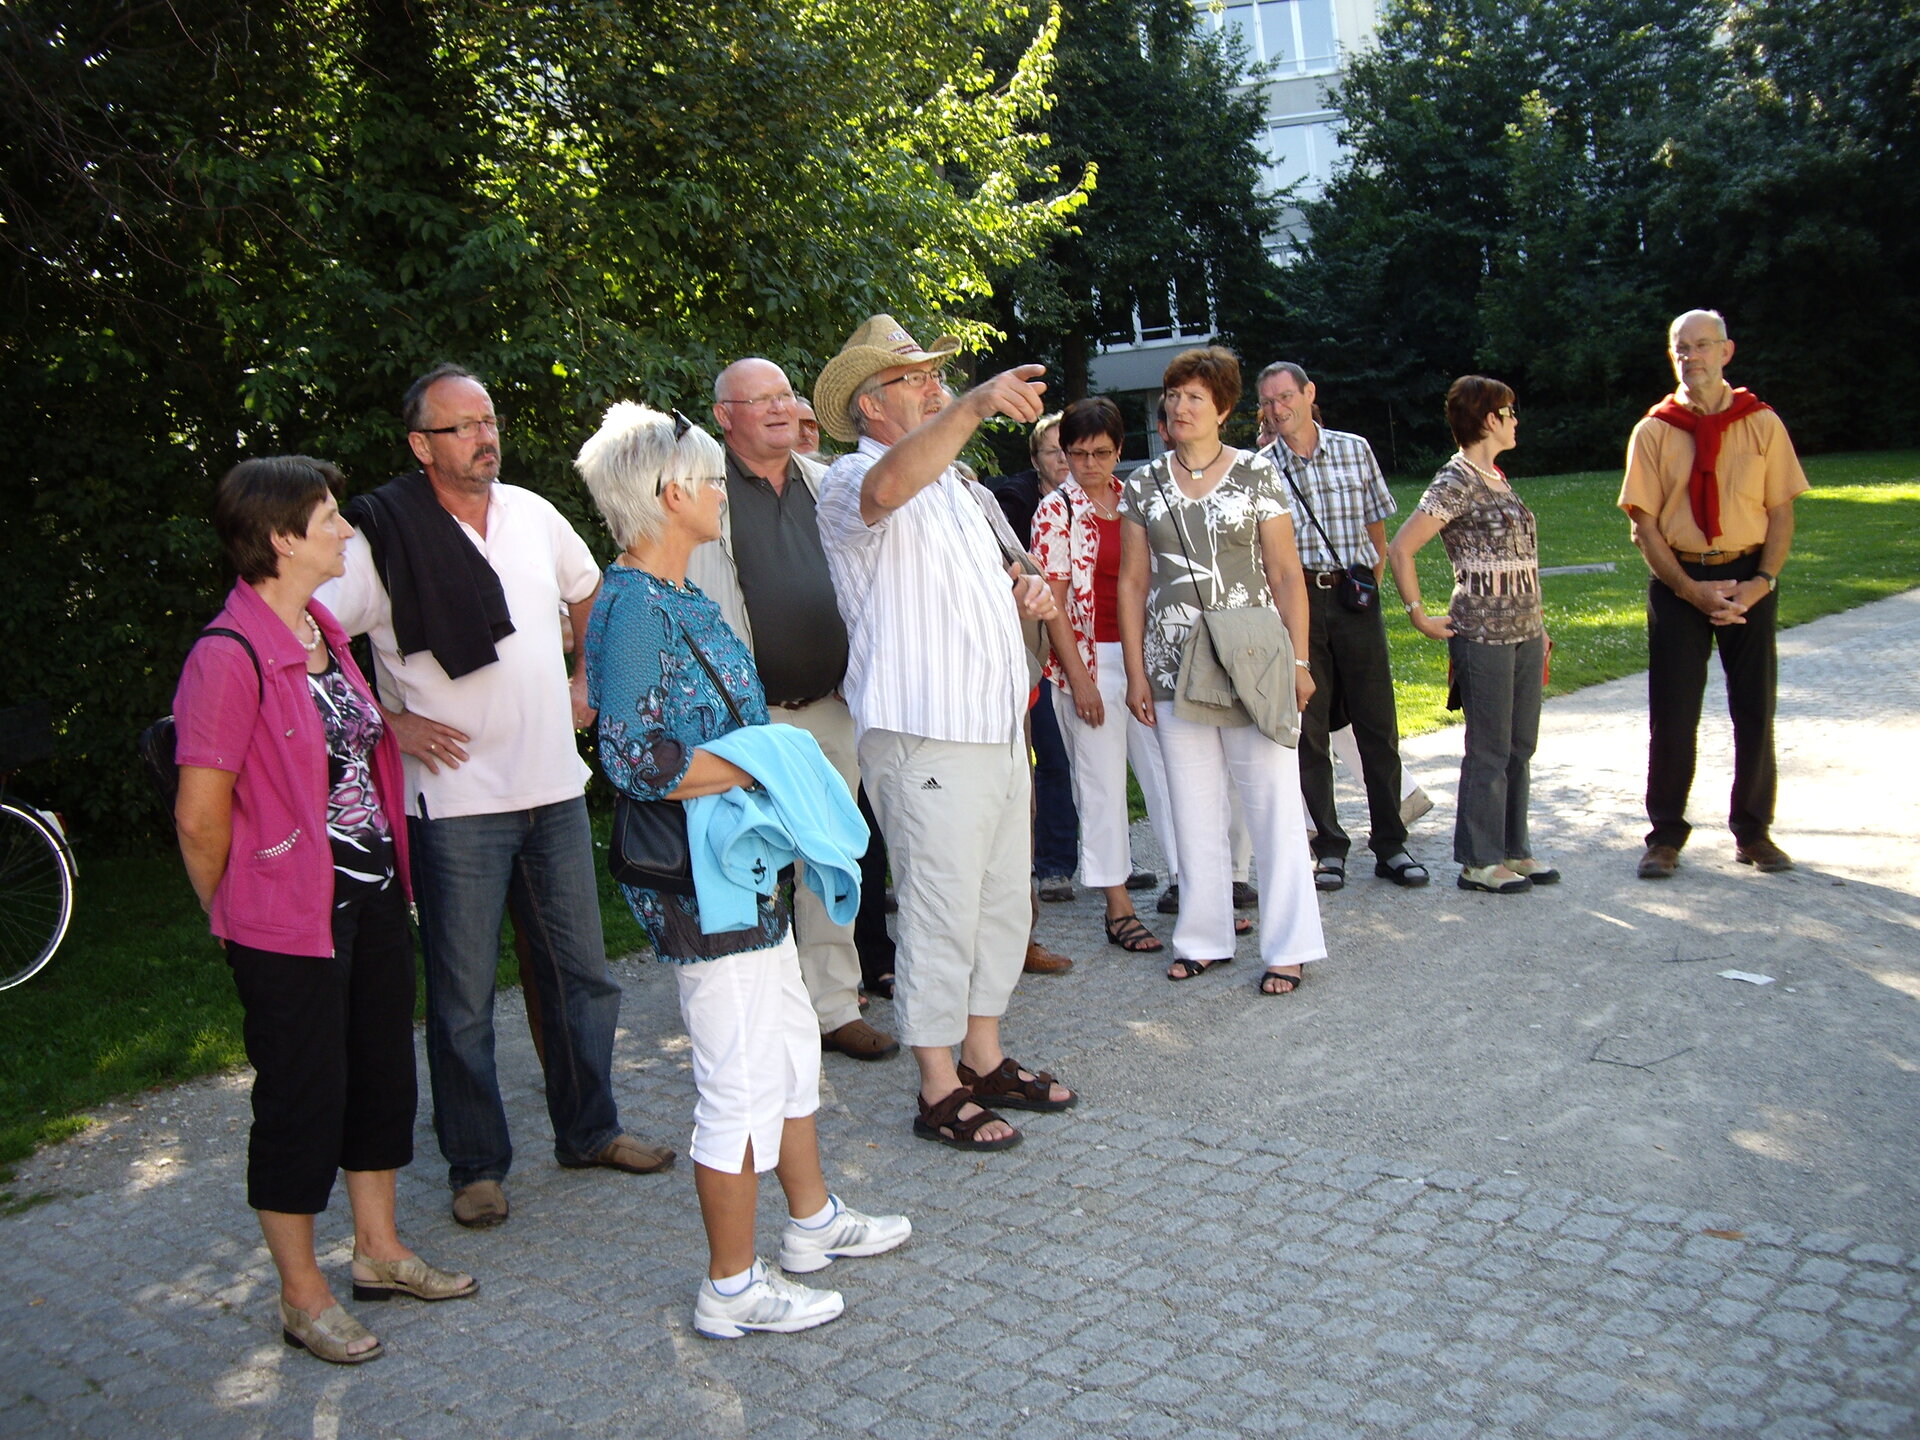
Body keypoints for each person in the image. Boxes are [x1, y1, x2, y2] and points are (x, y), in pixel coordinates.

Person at [576, 402, 909, 1338]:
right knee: (736, 1079)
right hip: (698, 880)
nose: (722, 493)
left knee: (791, 1044)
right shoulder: (634, 608)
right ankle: (728, 1288)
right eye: (708, 480)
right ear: (668, 494)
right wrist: (770, 761)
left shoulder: (676, 595)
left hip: (739, 862)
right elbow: (635, 761)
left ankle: (811, 1223)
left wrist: (763, 762)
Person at [318, 363, 672, 1232]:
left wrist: (588, 676)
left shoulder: (534, 514)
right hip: (454, 801)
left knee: (582, 979)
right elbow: (309, 628)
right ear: (421, 445)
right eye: (463, 426)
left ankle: (590, 1131)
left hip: (552, 786)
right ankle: (476, 1166)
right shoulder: (381, 535)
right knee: (463, 998)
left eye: (489, 421)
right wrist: (388, 723)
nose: (486, 438)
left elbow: (591, 593)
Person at [174, 456, 474, 1366]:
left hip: (370, 898)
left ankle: (379, 1251)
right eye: (330, 518)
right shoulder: (226, 656)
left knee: (380, 1075)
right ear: (279, 538)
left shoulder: (322, 631)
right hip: (285, 920)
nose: (347, 530)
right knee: (302, 1097)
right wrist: (235, 907)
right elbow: (199, 816)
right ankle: (301, 1295)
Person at [814, 313, 1077, 1151]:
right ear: (869, 403)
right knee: (939, 908)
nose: (934, 388)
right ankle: (937, 1085)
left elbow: (1001, 581)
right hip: (923, 732)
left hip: (994, 727)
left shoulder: (962, 487)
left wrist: (1027, 594)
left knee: (999, 903)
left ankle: (983, 1056)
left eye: (937, 376)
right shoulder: (847, 478)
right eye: (915, 378)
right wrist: (971, 404)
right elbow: (887, 490)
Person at [690, 356, 898, 1063]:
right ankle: (757, 1014)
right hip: (747, 723)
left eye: (786, 395)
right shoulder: (699, 491)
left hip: (831, 709)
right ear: (725, 417)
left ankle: (834, 1007)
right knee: (747, 864)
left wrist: (859, 663)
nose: (781, 408)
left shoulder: (828, 482)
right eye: (762, 400)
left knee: (830, 858)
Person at [1119, 346, 1327, 997]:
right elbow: (1132, 583)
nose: (1180, 406)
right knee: (1192, 808)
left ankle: (1290, 947)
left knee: (1272, 805)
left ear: (1224, 409)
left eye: (1195, 397)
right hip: (1172, 666)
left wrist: (1299, 661)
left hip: (1252, 665)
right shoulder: (1142, 484)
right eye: (1174, 395)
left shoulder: (1258, 474)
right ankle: (1203, 938)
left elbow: (1286, 574)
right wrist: (1136, 673)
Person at [1619, 309, 1807, 879]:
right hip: (1678, 582)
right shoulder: (1654, 430)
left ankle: (1753, 832)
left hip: (1749, 578)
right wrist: (1690, 591)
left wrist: (1761, 582)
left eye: (1702, 345)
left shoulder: (1762, 423)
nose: (1691, 356)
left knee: (1754, 708)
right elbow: (1644, 526)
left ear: (1726, 352)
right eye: (1682, 348)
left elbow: (1781, 511)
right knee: (1673, 716)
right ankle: (1665, 836)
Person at [1258, 362, 1427, 892]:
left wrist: (1367, 585)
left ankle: (1391, 843)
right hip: (1297, 601)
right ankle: (1329, 847)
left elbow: (1377, 531)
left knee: (1377, 722)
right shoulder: (1260, 468)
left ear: (1309, 393)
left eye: (1286, 397)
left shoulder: (1355, 450)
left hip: (1354, 596)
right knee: (1309, 729)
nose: (1278, 409)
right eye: (1268, 402)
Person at [1388, 378, 1557, 894]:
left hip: (1526, 632)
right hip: (1482, 634)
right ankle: (1479, 862)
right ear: (1488, 419)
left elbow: (1521, 559)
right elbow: (1401, 547)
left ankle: (1512, 848)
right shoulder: (1456, 479)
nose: (1515, 420)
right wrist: (1418, 615)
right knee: (1489, 748)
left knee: (1520, 746)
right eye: (1509, 411)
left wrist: (1540, 625)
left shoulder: (1497, 477)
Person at [1031, 396, 1184, 955]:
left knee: (1170, 774)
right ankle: (1118, 908)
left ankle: (1193, 887)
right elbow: (1052, 605)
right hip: (1088, 661)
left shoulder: (1136, 499)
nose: (1087, 464)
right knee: (1100, 786)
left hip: (1146, 658)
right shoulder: (1056, 512)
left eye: (1099, 453)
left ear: (1119, 450)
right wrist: (1080, 680)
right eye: (1076, 454)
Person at [986, 413, 1082, 903]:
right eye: (1053, 451)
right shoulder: (1014, 502)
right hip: (1034, 647)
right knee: (1047, 756)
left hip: (1086, 644)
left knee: (1084, 759)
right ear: (1034, 459)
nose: (1064, 459)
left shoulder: (1099, 498)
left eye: (1070, 449)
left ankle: (1103, 857)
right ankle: (1051, 866)